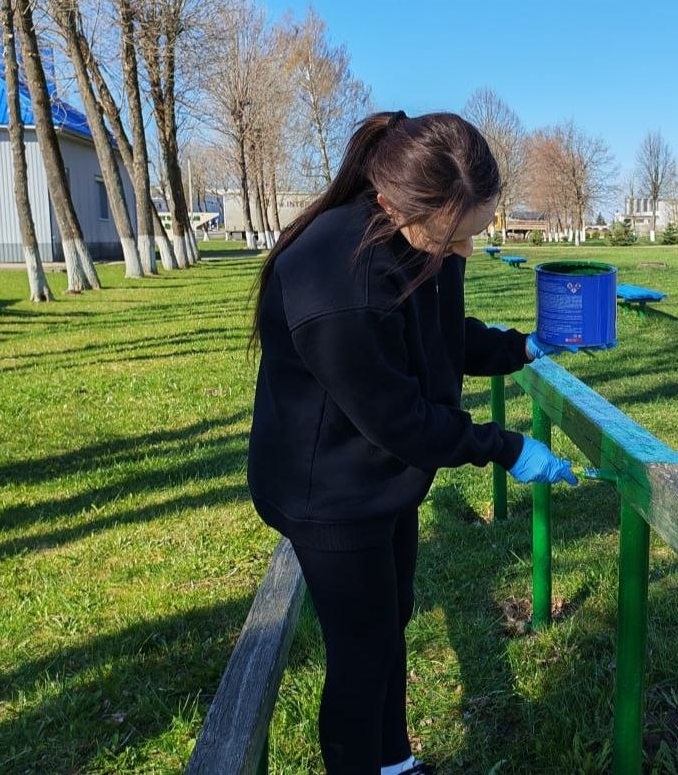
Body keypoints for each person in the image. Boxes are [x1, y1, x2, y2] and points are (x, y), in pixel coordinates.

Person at [247, 111, 578, 774]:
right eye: (457, 236)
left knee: (389, 618)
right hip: (328, 492)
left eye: (476, 231)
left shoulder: (419, 236)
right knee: (361, 653)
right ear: (397, 204)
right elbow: (399, 419)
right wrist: (506, 448)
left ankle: (394, 762)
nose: (467, 251)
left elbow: (437, 336)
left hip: (382, 475)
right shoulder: (337, 282)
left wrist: (519, 347)